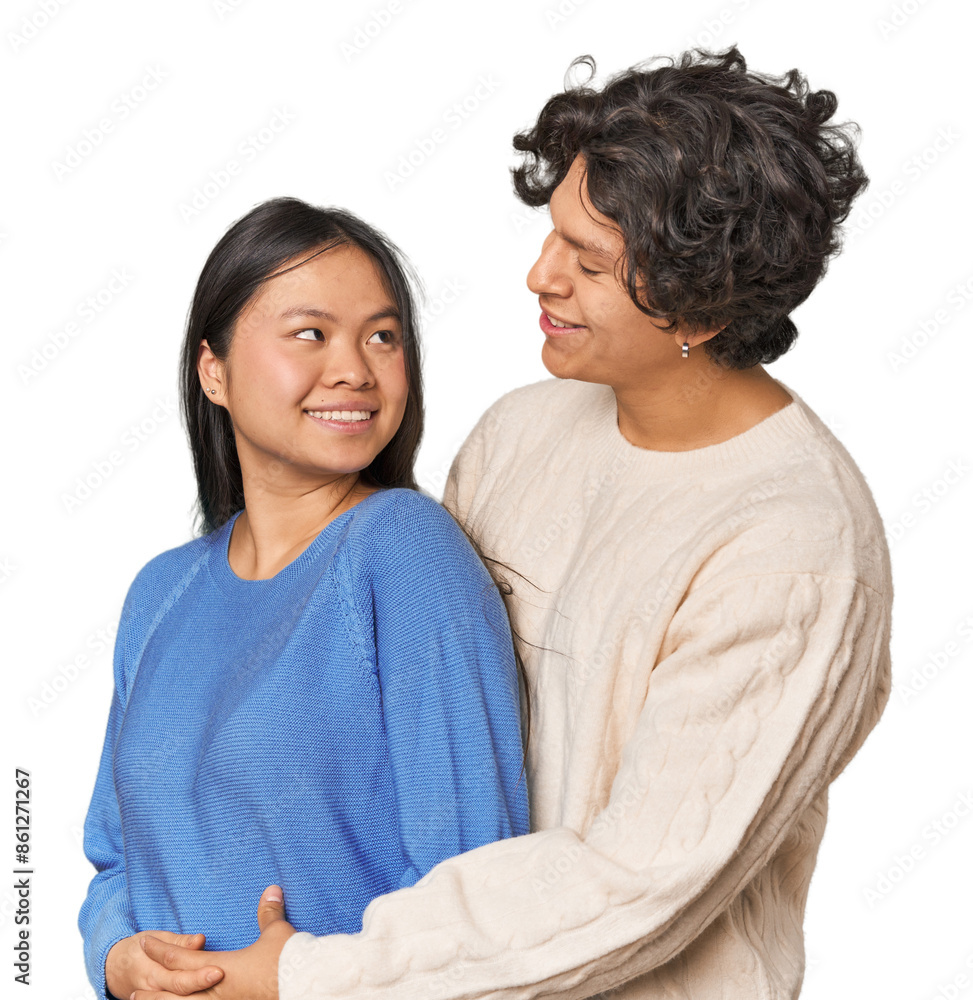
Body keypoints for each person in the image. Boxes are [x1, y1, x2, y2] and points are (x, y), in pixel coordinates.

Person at [128, 46, 892, 1000]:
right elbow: (404, 729)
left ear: (701, 302)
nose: (540, 275)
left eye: (588, 261)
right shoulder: (519, 434)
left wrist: (314, 973)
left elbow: (637, 884)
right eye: (551, 235)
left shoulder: (794, 550)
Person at [77, 197, 530, 1000]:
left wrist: (292, 978)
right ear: (213, 371)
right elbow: (116, 859)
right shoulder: (160, 592)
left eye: (382, 336)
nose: (355, 368)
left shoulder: (405, 550)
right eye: (311, 333)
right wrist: (117, 958)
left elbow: (475, 888)